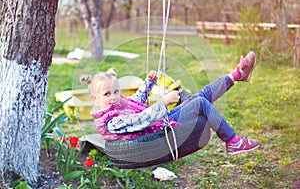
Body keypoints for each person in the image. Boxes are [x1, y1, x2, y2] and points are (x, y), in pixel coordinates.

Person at [81, 51, 260, 155]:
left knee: (202, 95)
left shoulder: (117, 105)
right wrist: (163, 103)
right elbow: (139, 121)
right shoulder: (111, 122)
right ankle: (233, 141)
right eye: (107, 93)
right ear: (95, 99)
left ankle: (237, 75)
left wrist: (148, 83)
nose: (113, 96)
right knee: (199, 102)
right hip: (160, 132)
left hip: (161, 122)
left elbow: (136, 103)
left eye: (116, 91)